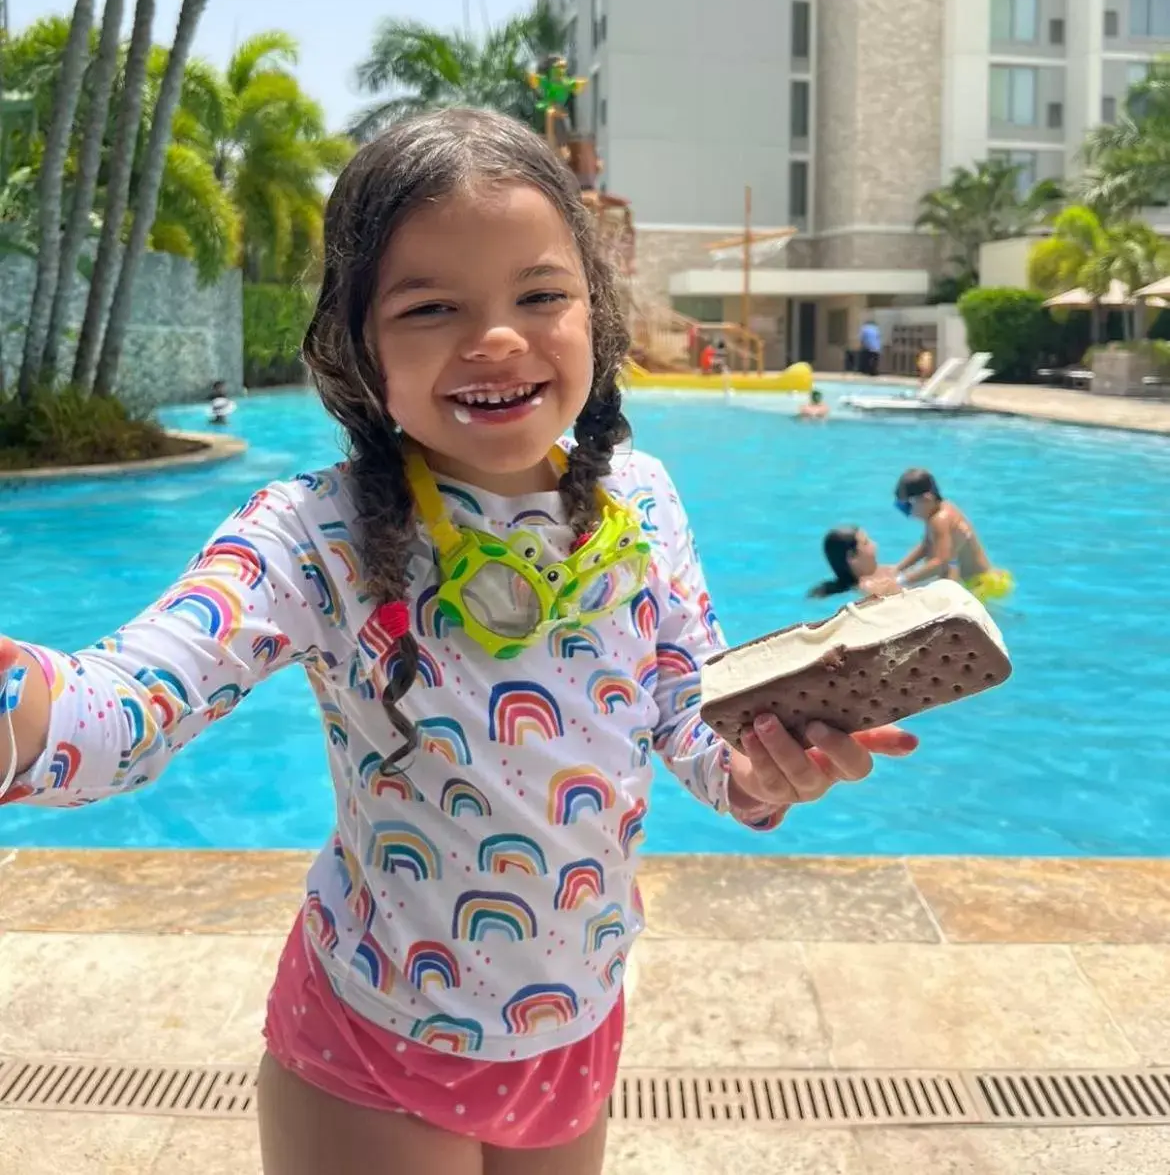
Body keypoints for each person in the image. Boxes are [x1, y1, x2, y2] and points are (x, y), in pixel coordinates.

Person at [0, 109, 918, 1175]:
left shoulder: (642, 504)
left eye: (540, 295)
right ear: (360, 341)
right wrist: (21, 707)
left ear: (594, 308)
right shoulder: (316, 532)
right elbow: (132, 698)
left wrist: (764, 767)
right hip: (375, 1040)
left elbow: (686, 721)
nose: (496, 339)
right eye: (432, 306)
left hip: (576, 1027)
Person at [892, 468, 1013, 602]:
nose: (909, 514)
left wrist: (902, 581)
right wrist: (897, 569)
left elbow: (940, 562)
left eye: (906, 507)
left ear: (926, 499)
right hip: (987, 581)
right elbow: (926, 546)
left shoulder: (940, 520)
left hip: (982, 587)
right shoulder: (940, 511)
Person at [809, 526, 899, 599]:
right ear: (852, 557)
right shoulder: (870, 589)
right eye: (866, 543)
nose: (874, 544)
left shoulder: (885, 570)